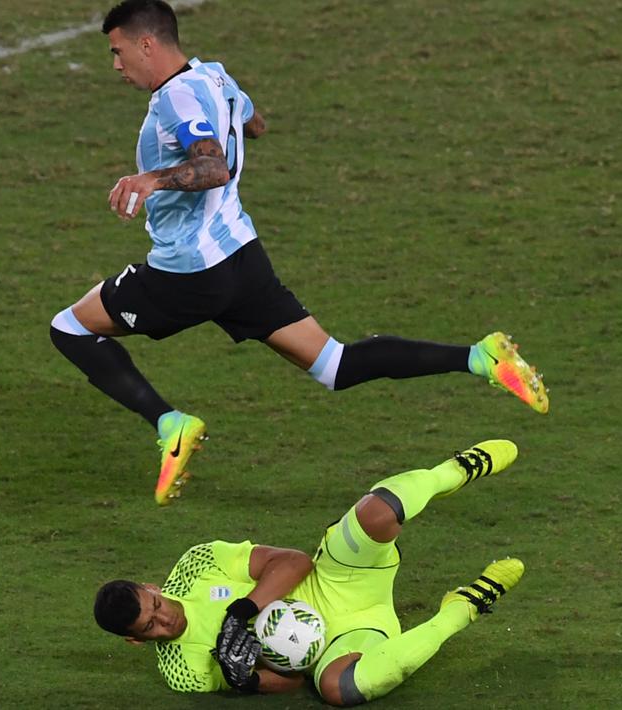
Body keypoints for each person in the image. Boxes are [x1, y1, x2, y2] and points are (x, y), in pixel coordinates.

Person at [49, 0, 549, 505]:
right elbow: (255, 124)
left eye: (117, 52)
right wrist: (224, 127)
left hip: (189, 273)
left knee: (69, 327)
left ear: (147, 44)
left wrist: (151, 178)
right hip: (243, 260)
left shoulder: (173, 101)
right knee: (334, 364)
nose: (116, 65)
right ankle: (481, 357)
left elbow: (214, 168)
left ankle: (171, 425)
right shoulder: (216, 79)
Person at [92, 439, 525, 704]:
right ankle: (464, 606)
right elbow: (294, 683)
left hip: (336, 580)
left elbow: (295, 561)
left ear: (152, 587)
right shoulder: (182, 673)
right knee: (341, 690)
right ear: (136, 641)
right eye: (150, 627)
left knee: (376, 513)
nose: (164, 619)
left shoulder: (196, 565)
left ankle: (454, 471)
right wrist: (245, 682)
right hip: (340, 642)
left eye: (156, 605)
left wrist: (244, 610)